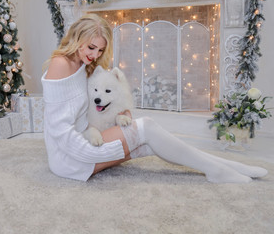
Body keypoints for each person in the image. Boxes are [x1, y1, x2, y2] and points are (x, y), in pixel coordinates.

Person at [41, 13, 267, 183]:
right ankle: (217, 170)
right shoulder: (61, 64)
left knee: (151, 141)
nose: (95, 55)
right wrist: (101, 151)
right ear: (76, 38)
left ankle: (225, 167)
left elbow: (94, 104)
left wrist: (120, 115)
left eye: (100, 51)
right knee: (146, 130)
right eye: (91, 47)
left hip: (86, 140)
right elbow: (59, 134)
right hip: (69, 157)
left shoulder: (83, 64)